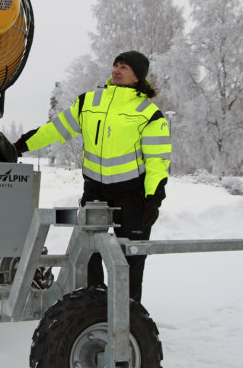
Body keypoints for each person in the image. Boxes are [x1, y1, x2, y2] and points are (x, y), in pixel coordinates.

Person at [14, 51, 171, 302]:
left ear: (137, 77)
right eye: (116, 65)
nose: (116, 70)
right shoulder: (90, 102)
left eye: (124, 67)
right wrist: (21, 145)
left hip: (132, 194)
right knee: (89, 252)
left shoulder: (149, 112)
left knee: (131, 257)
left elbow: (157, 161)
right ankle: (92, 307)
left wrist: (153, 199)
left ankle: (128, 312)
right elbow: (56, 129)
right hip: (95, 191)